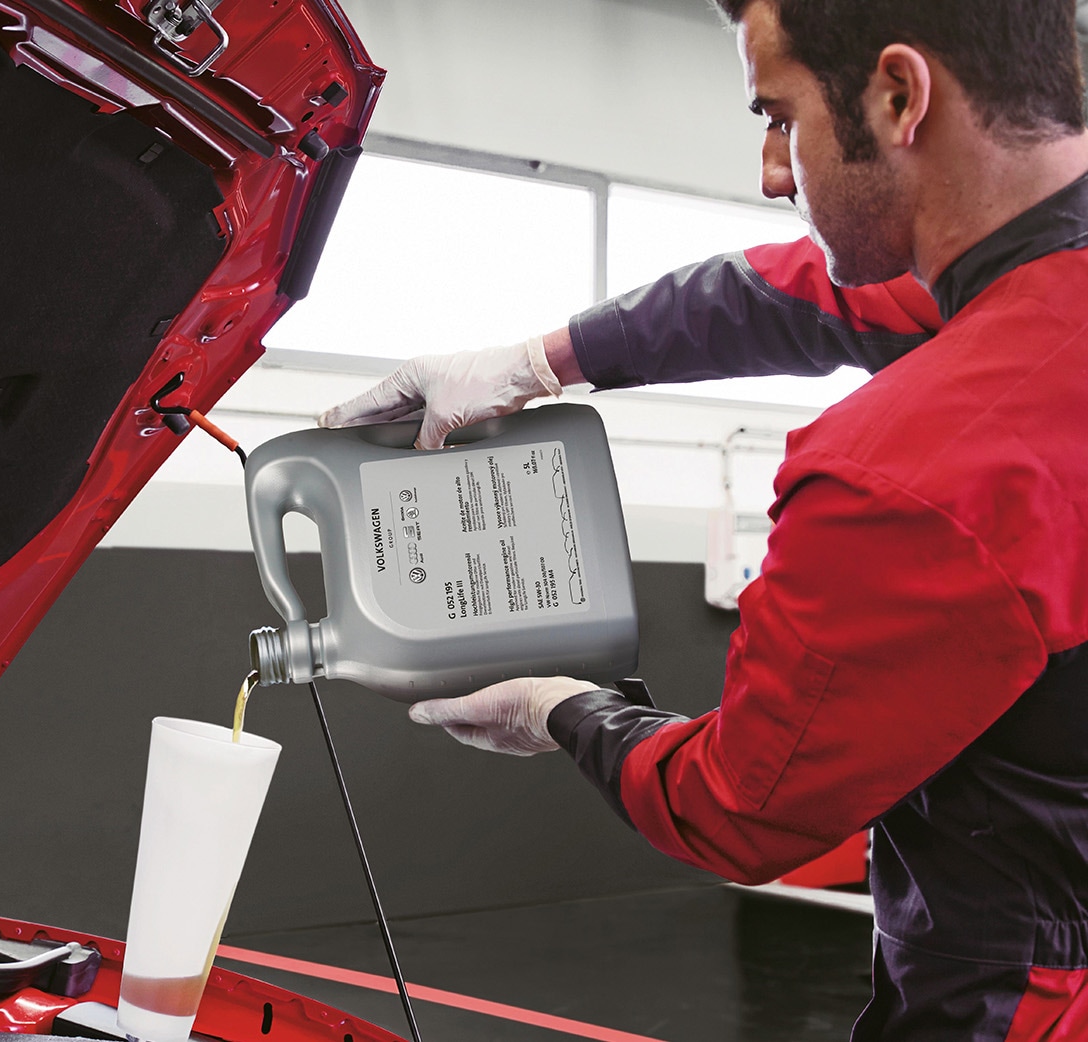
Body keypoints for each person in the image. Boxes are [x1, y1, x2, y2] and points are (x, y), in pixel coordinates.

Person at [318, 1, 1088, 1038]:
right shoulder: (1034, 283)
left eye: (780, 117)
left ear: (899, 95)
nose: (775, 172)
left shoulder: (907, 472)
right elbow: (786, 295)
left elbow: (741, 807)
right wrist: (539, 359)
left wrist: (560, 709)